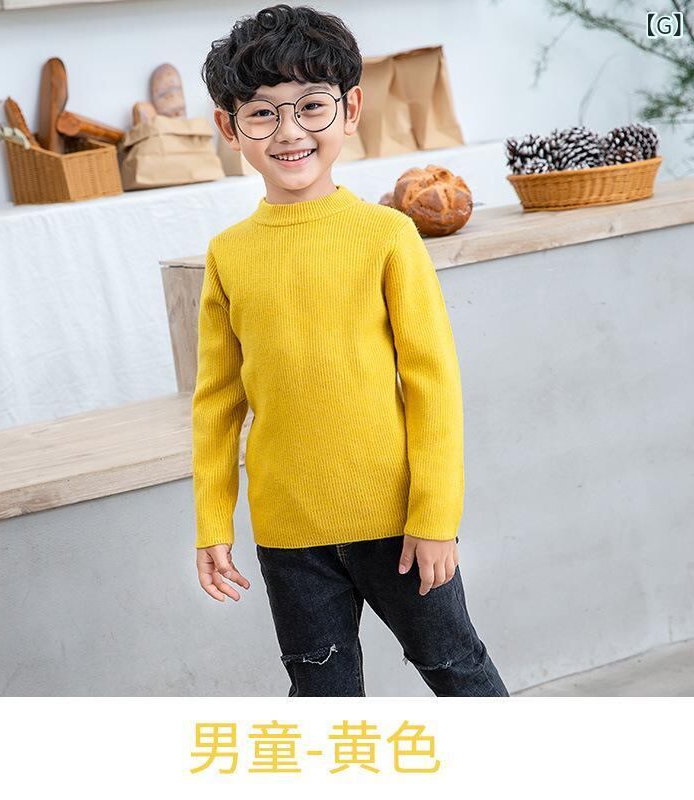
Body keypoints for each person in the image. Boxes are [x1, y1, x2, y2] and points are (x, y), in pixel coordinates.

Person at [192, 3, 508, 697]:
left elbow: (432, 382)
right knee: (322, 698)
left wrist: (436, 517)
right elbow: (217, 401)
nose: (289, 132)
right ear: (229, 127)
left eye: (311, 106)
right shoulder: (227, 255)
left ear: (351, 108)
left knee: (456, 670)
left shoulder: (388, 236)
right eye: (261, 114)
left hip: (399, 524)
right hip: (288, 532)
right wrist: (213, 521)